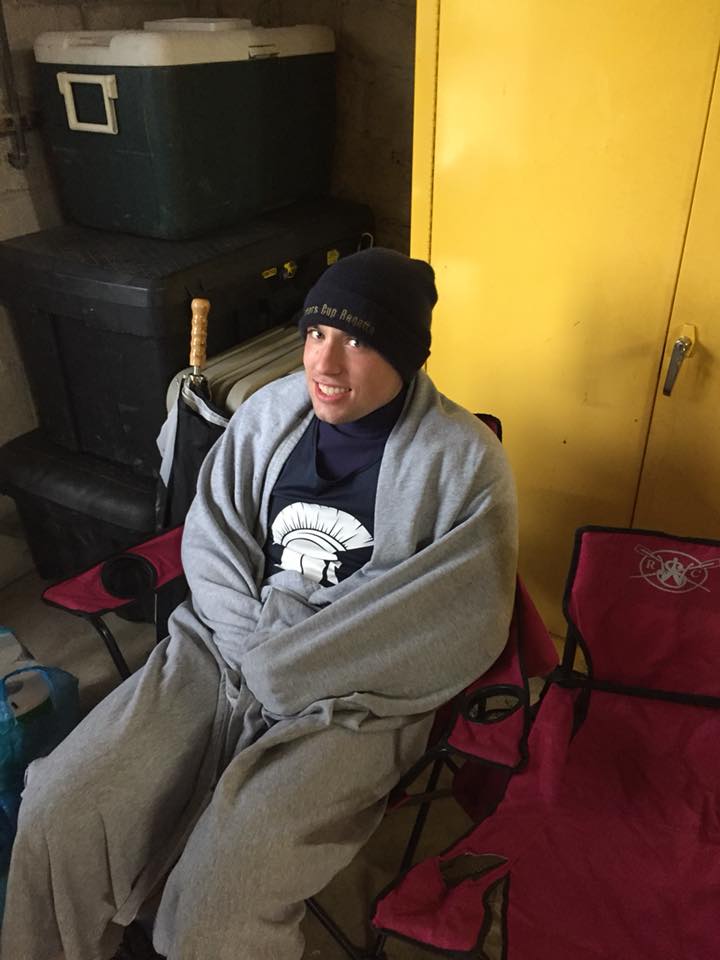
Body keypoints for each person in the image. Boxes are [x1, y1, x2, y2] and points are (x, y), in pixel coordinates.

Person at [1, 248, 518, 960]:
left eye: (358, 341)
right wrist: (251, 650)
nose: (324, 364)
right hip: (221, 647)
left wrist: (292, 666)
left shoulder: (464, 461)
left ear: (407, 355)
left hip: (356, 697)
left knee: (220, 896)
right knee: (63, 806)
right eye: (316, 333)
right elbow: (211, 536)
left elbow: (458, 612)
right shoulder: (270, 413)